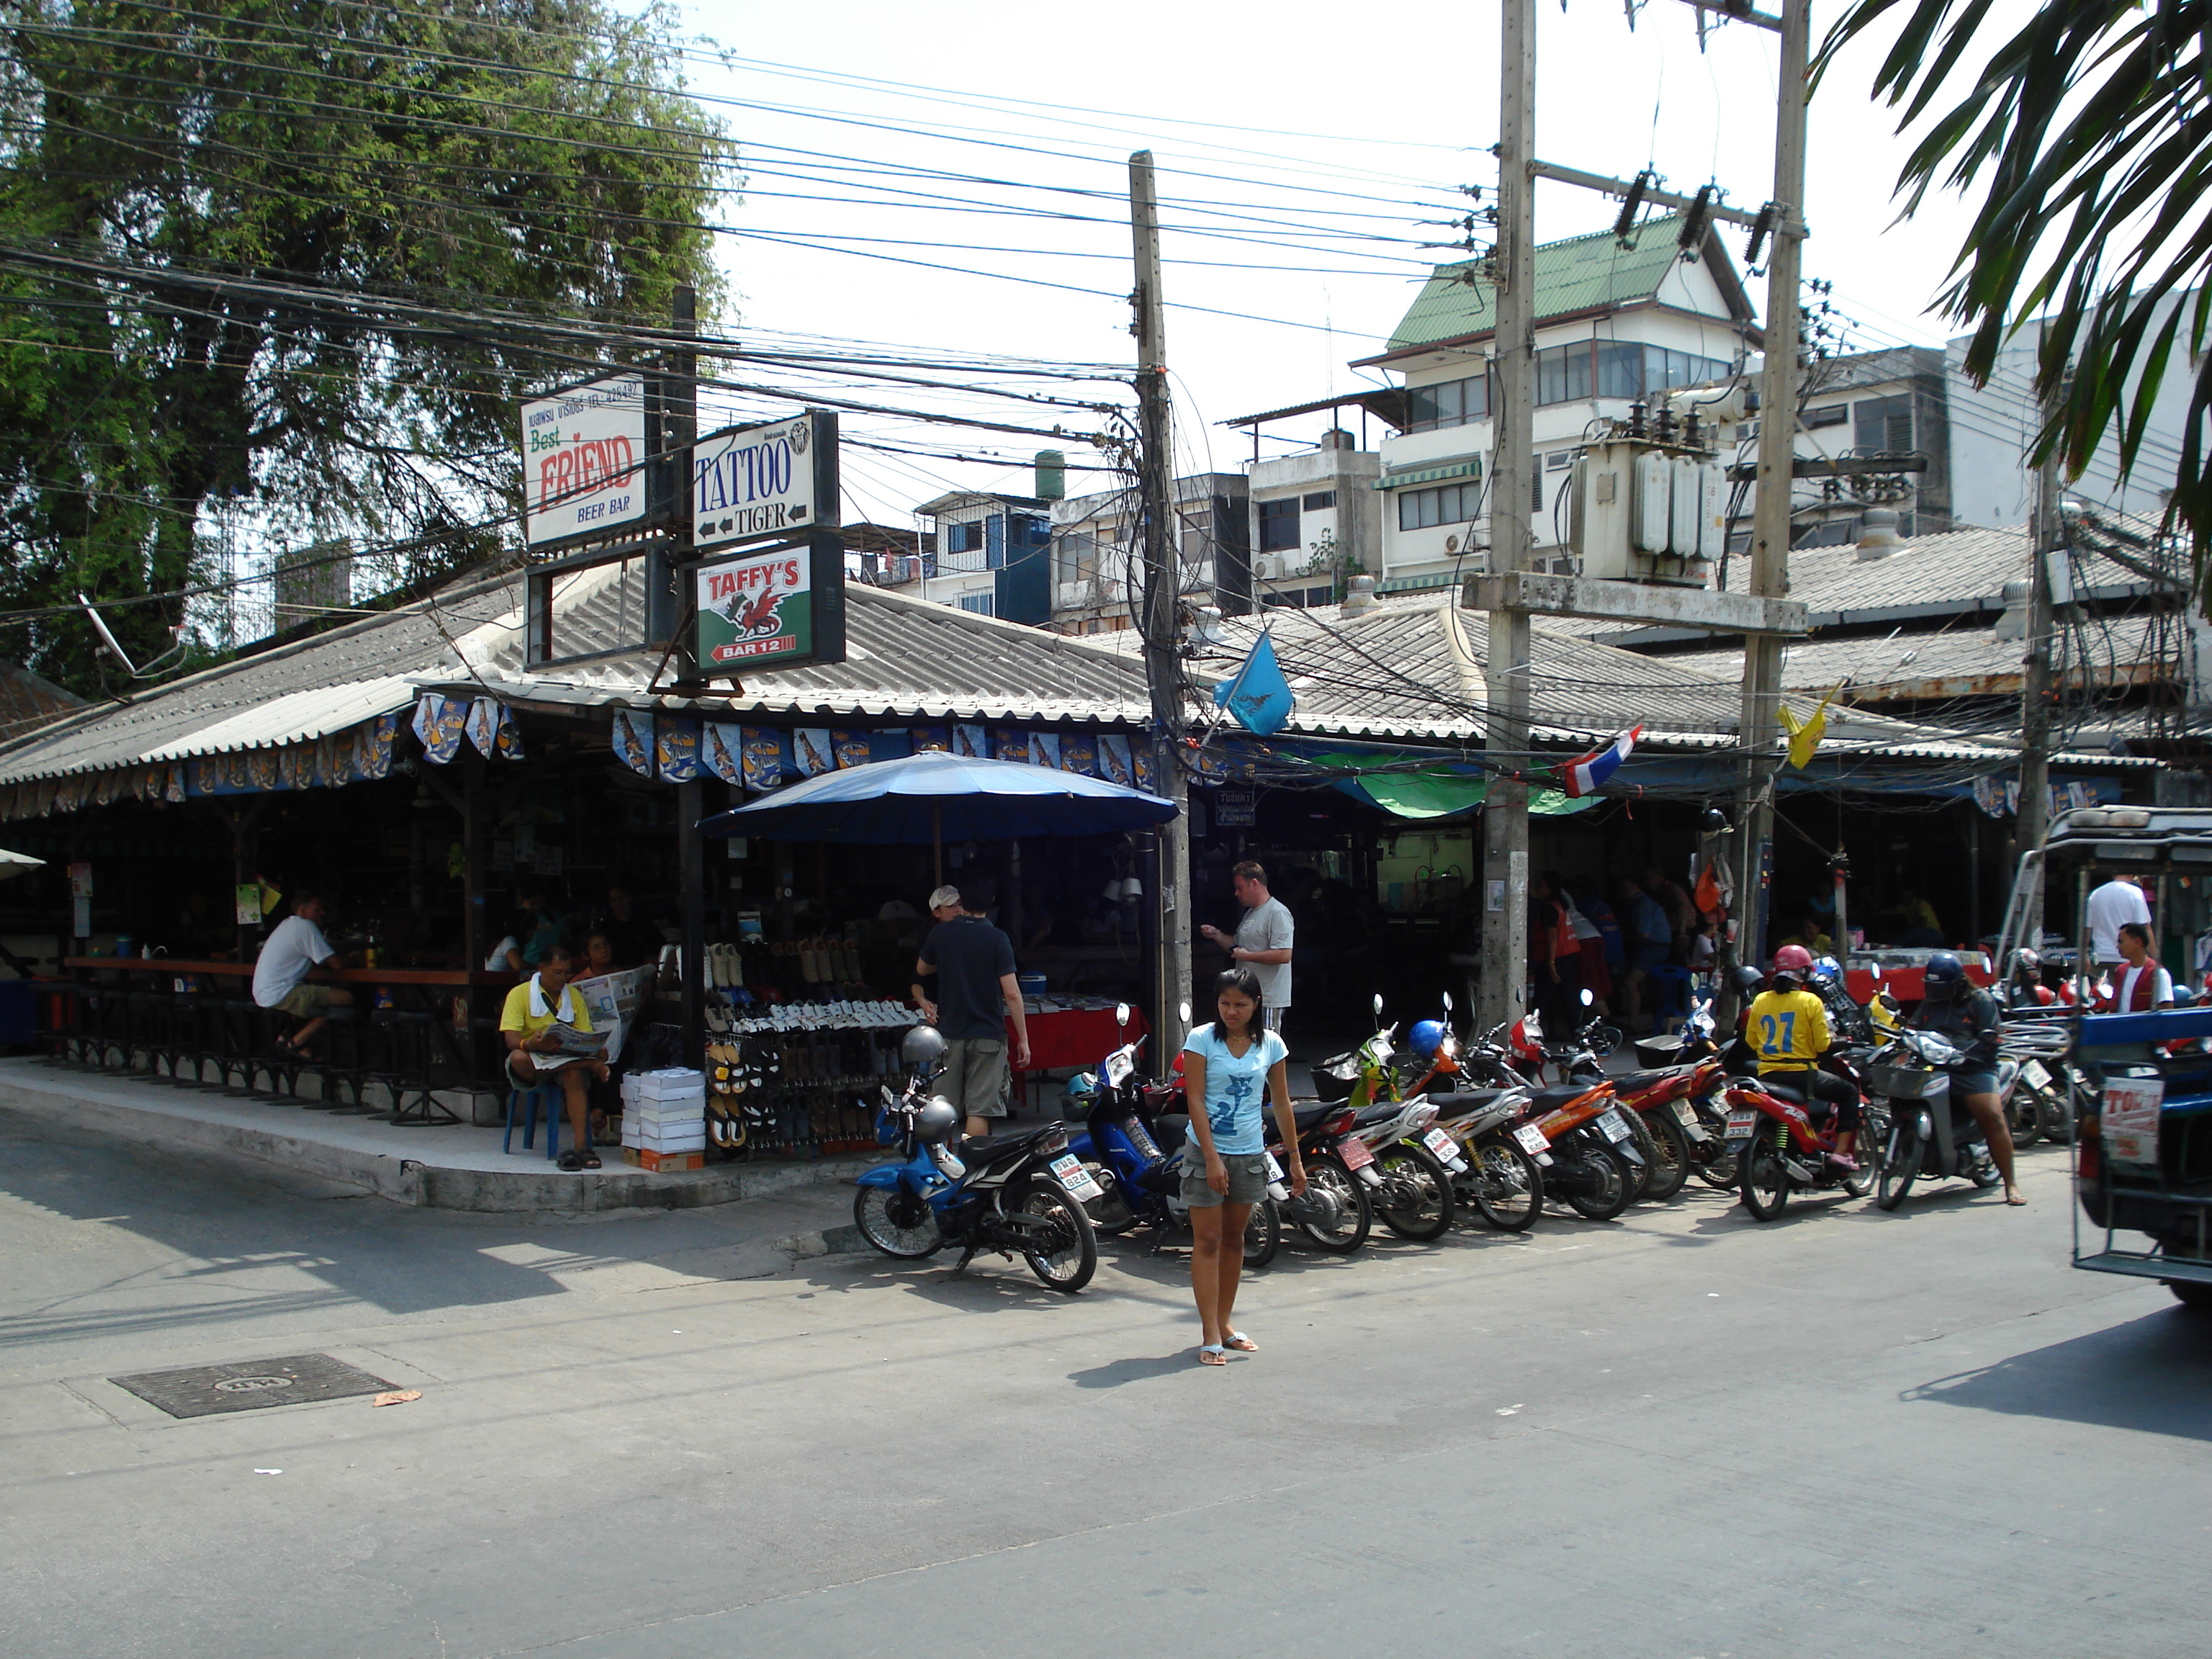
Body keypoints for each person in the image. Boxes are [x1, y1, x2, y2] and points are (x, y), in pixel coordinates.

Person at [1180, 967, 1306, 1367]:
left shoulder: (1271, 1045)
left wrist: (1296, 1160)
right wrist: (1213, 1158)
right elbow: (1195, 1100)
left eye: (1241, 1004)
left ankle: (1226, 1322)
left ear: (1256, 1005)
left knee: (1236, 1240)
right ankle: (1209, 1333)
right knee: (1208, 1241)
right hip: (1205, 1152)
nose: (1232, 1012)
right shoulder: (1201, 1039)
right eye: (1225, 1003)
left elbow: (1282, 1103)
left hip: (1250, 1153)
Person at [911, 884, 1030, 1139]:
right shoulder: (998, 938)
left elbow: (921, 970)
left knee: (942, 1108)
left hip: (949, 1033)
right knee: (980, 1109)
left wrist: (948, 961)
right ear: (992, 903)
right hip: (988, 1033)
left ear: (962, 902)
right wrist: (1024, 1040)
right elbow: (1011, 994)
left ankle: (942, 1168)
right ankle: (972, 1170)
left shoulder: (941, 934)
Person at [1910, 950, 2023, 1205]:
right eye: (1931, 985)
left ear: (1958, 983)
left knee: (1992, 1118)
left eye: (1939, 986)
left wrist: (1967, 1054)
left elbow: (1991, 1037)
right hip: (1937, 1067)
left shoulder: (1979, 1000)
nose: (1934, 991)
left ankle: (2011, 1184)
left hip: (1974, 1068)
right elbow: (1914, 1027)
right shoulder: (1931, 1002)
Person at [1743, 944, 1859, 1168]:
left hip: (1767, 1074)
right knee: (1849, 1093)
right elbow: (1822, 1044)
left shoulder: (1761, 1000)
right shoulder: (1810, 1001)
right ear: (1804, 973)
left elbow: (1752, 1041)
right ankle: (1841, 1153)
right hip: (1801, 1074)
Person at [500, 941, 611, 1172]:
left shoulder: (573, 996)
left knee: (573, 1075)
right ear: (541, 968)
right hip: (532, 1063)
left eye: (566, 973)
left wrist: (594, 1048)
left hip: (565, 1061)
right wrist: (530, 1043)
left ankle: (581, 1148)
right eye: (557, 973)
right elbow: (511, 1040)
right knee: (518, 1057)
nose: (562, 978)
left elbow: (585, 1034)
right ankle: (589, 1065)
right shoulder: (519, 994)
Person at [251, 891, 352, 1056]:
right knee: (346, 998)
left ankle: (284, 1037)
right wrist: (354, 959)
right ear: (303, 910)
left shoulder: (287, 924)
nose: (322, 913)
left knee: (310, 998)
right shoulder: (306, 926)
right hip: (280, 993)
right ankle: (297, 1043)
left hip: (265, 993)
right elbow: (337, 964)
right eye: (317, 909)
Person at [1200, 860, 1295, 1033]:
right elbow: (1237, 947)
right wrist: (1216, 934)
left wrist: (1248, 956)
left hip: (1268, 999)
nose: (1236, 893)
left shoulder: (1277, 913)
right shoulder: (1251, 913)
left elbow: (1284, 955)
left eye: (1240, 887)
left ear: (1254, 884)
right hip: (1247, 998)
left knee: (1265, 1050)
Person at [1617, 876, 1671, 1033]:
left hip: (1654, 947)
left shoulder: (1643, 905)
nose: (1623, 890)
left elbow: (1643, 934)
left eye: (1626, 886)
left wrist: (1623, 938)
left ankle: (1633, 1023)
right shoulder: (1636, 904)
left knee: (1631, 982)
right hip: (1652, 947)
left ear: (1636, 886)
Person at [2086, 869, 2154, 967]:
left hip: (2100, 957)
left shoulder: (2095, 894)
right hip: (2129, 958)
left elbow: (2087, 929)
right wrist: (2155, 958)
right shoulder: (2135, 893)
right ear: (2131, 874)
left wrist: (2084, 955)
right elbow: (2145, 928)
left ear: (2113, 874)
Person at [2103, 922, 2175, 1011]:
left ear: (2138, 942)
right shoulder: (2120, 971)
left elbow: (2166, 1009)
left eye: (2121, 942)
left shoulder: (2158, 973)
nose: (2118, 947)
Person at [596, 885, 665, 968]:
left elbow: (661, 947)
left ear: (629, 898)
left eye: (621, 898)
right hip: (613, 972)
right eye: (614, 900)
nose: (618, 903)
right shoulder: (605, 927)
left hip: (639, 970)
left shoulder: (643, 923)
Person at [1643, 863, 1697, 960]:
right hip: (1672, 931)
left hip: (1682, 930)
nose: (1646, 882)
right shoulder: (1658, 892)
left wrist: (1682, 933)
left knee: (1679, 959)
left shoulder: (1672, 888)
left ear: (1657, 876)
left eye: (1648, 878)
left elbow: (1682, 908)